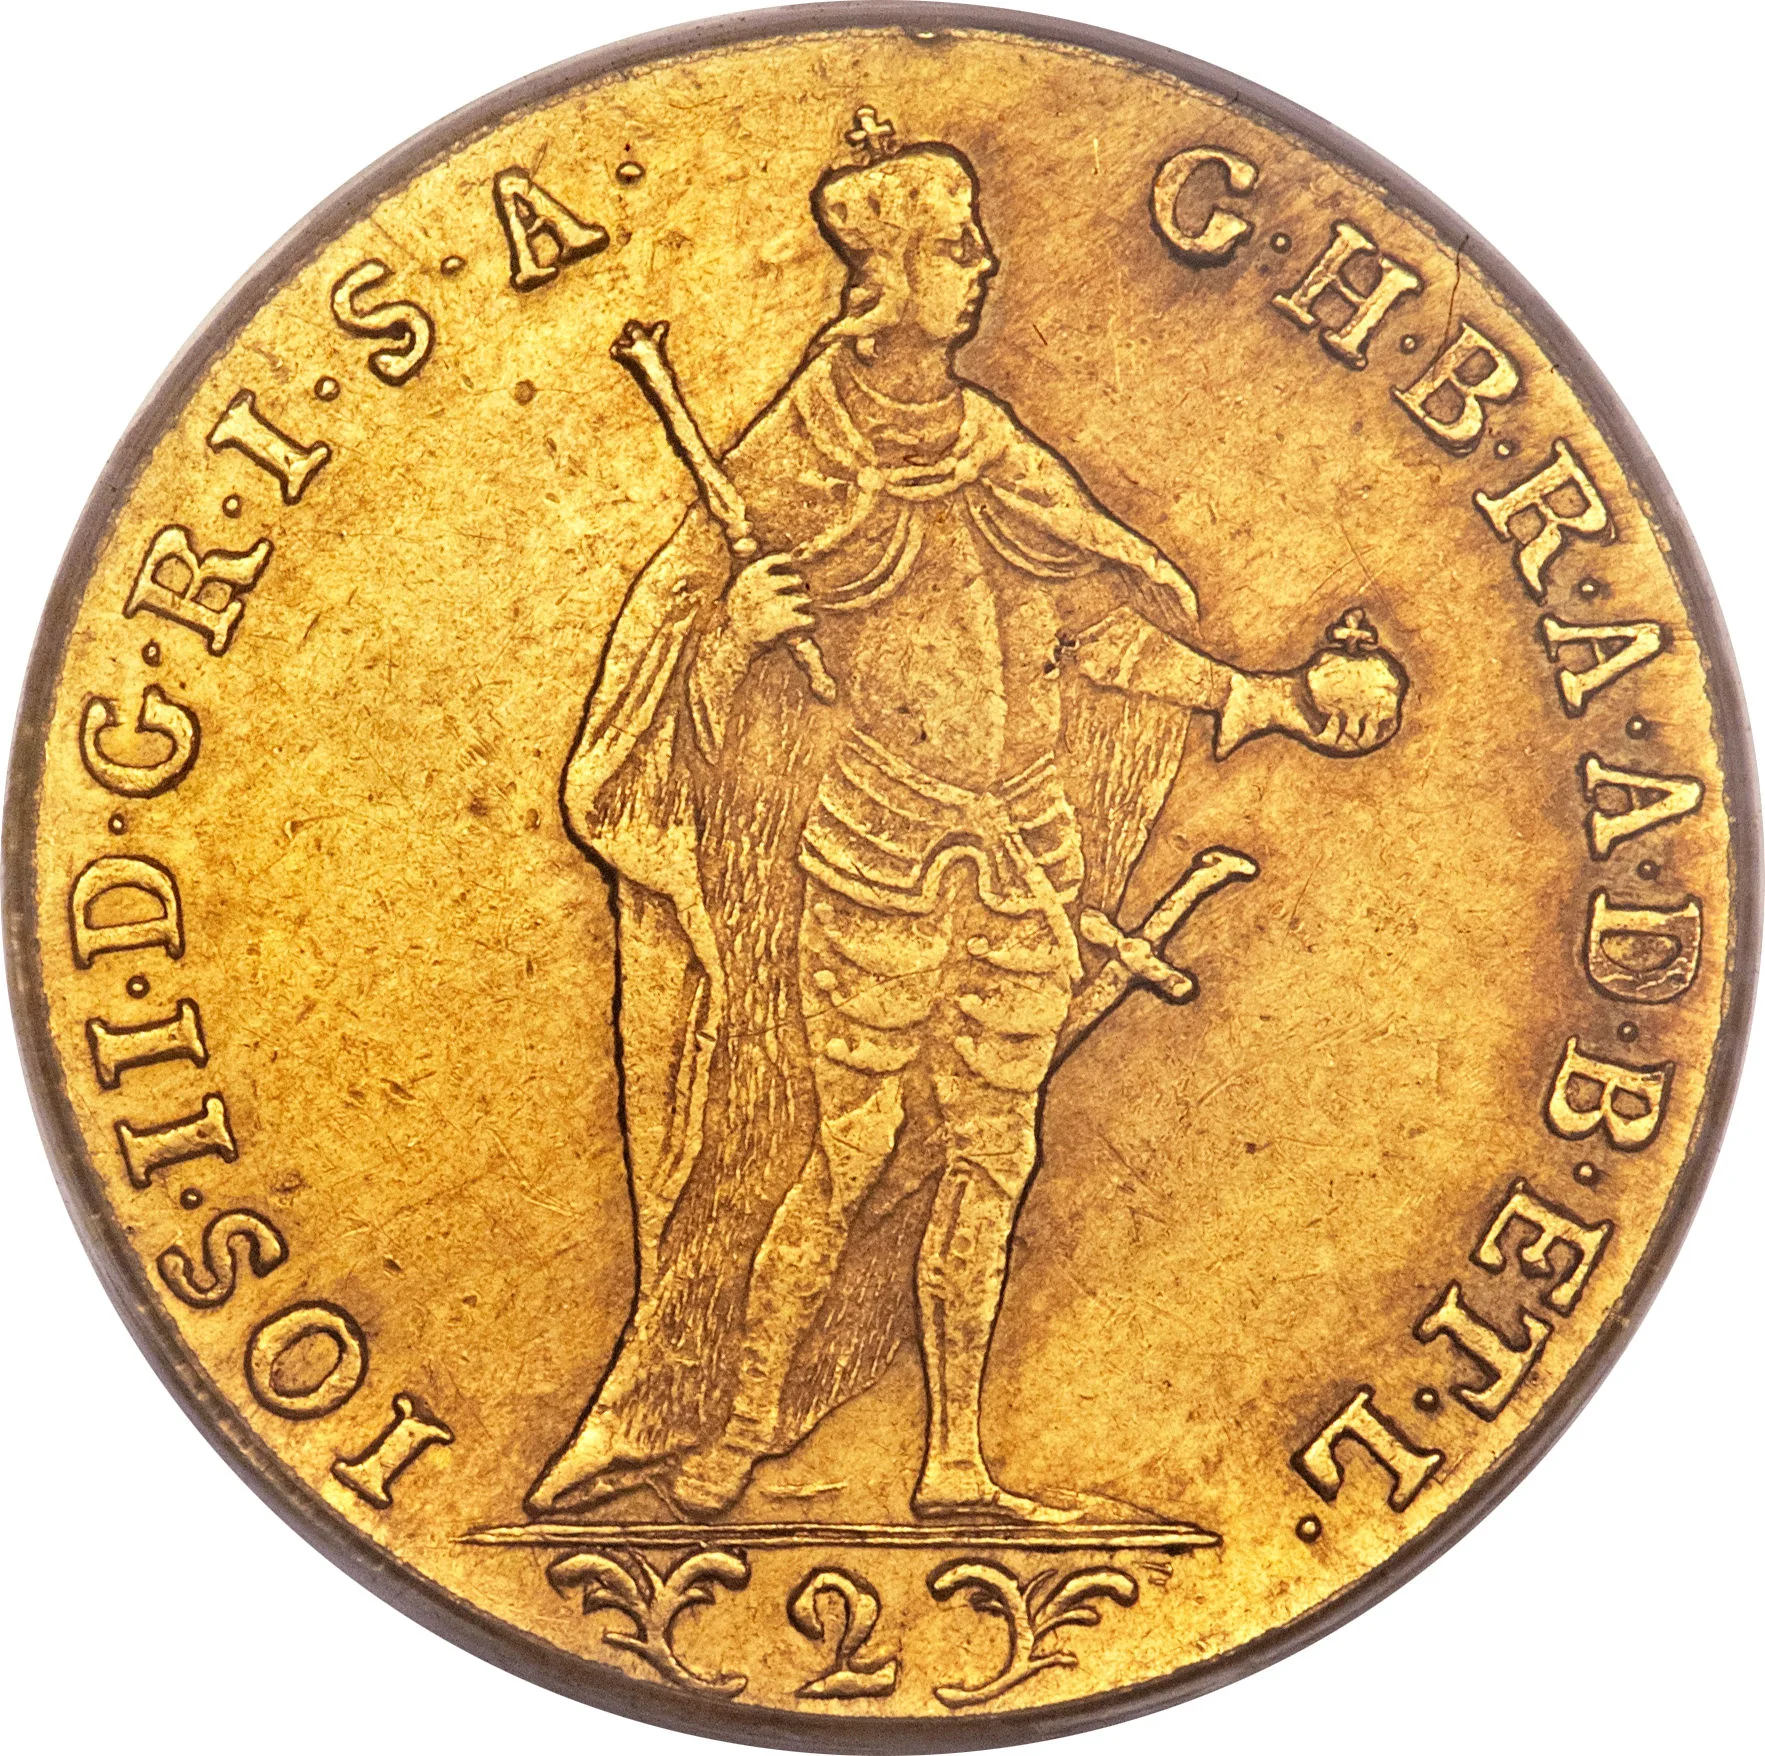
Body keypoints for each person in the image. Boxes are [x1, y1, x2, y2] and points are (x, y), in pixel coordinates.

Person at [527, 122, 1398, 1521]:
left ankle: (953, 1463)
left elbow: (1087, 634)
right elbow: (666, 664)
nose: (986, 265)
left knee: (994, 1160)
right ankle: (740, 1425)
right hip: (875, 852)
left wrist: (1262, 697)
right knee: (851, 1154)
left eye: (975, 242)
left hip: (1026, 852)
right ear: (883, 280)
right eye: (957, 247)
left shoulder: (991, 451)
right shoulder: (792, 465)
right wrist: (737, 633)